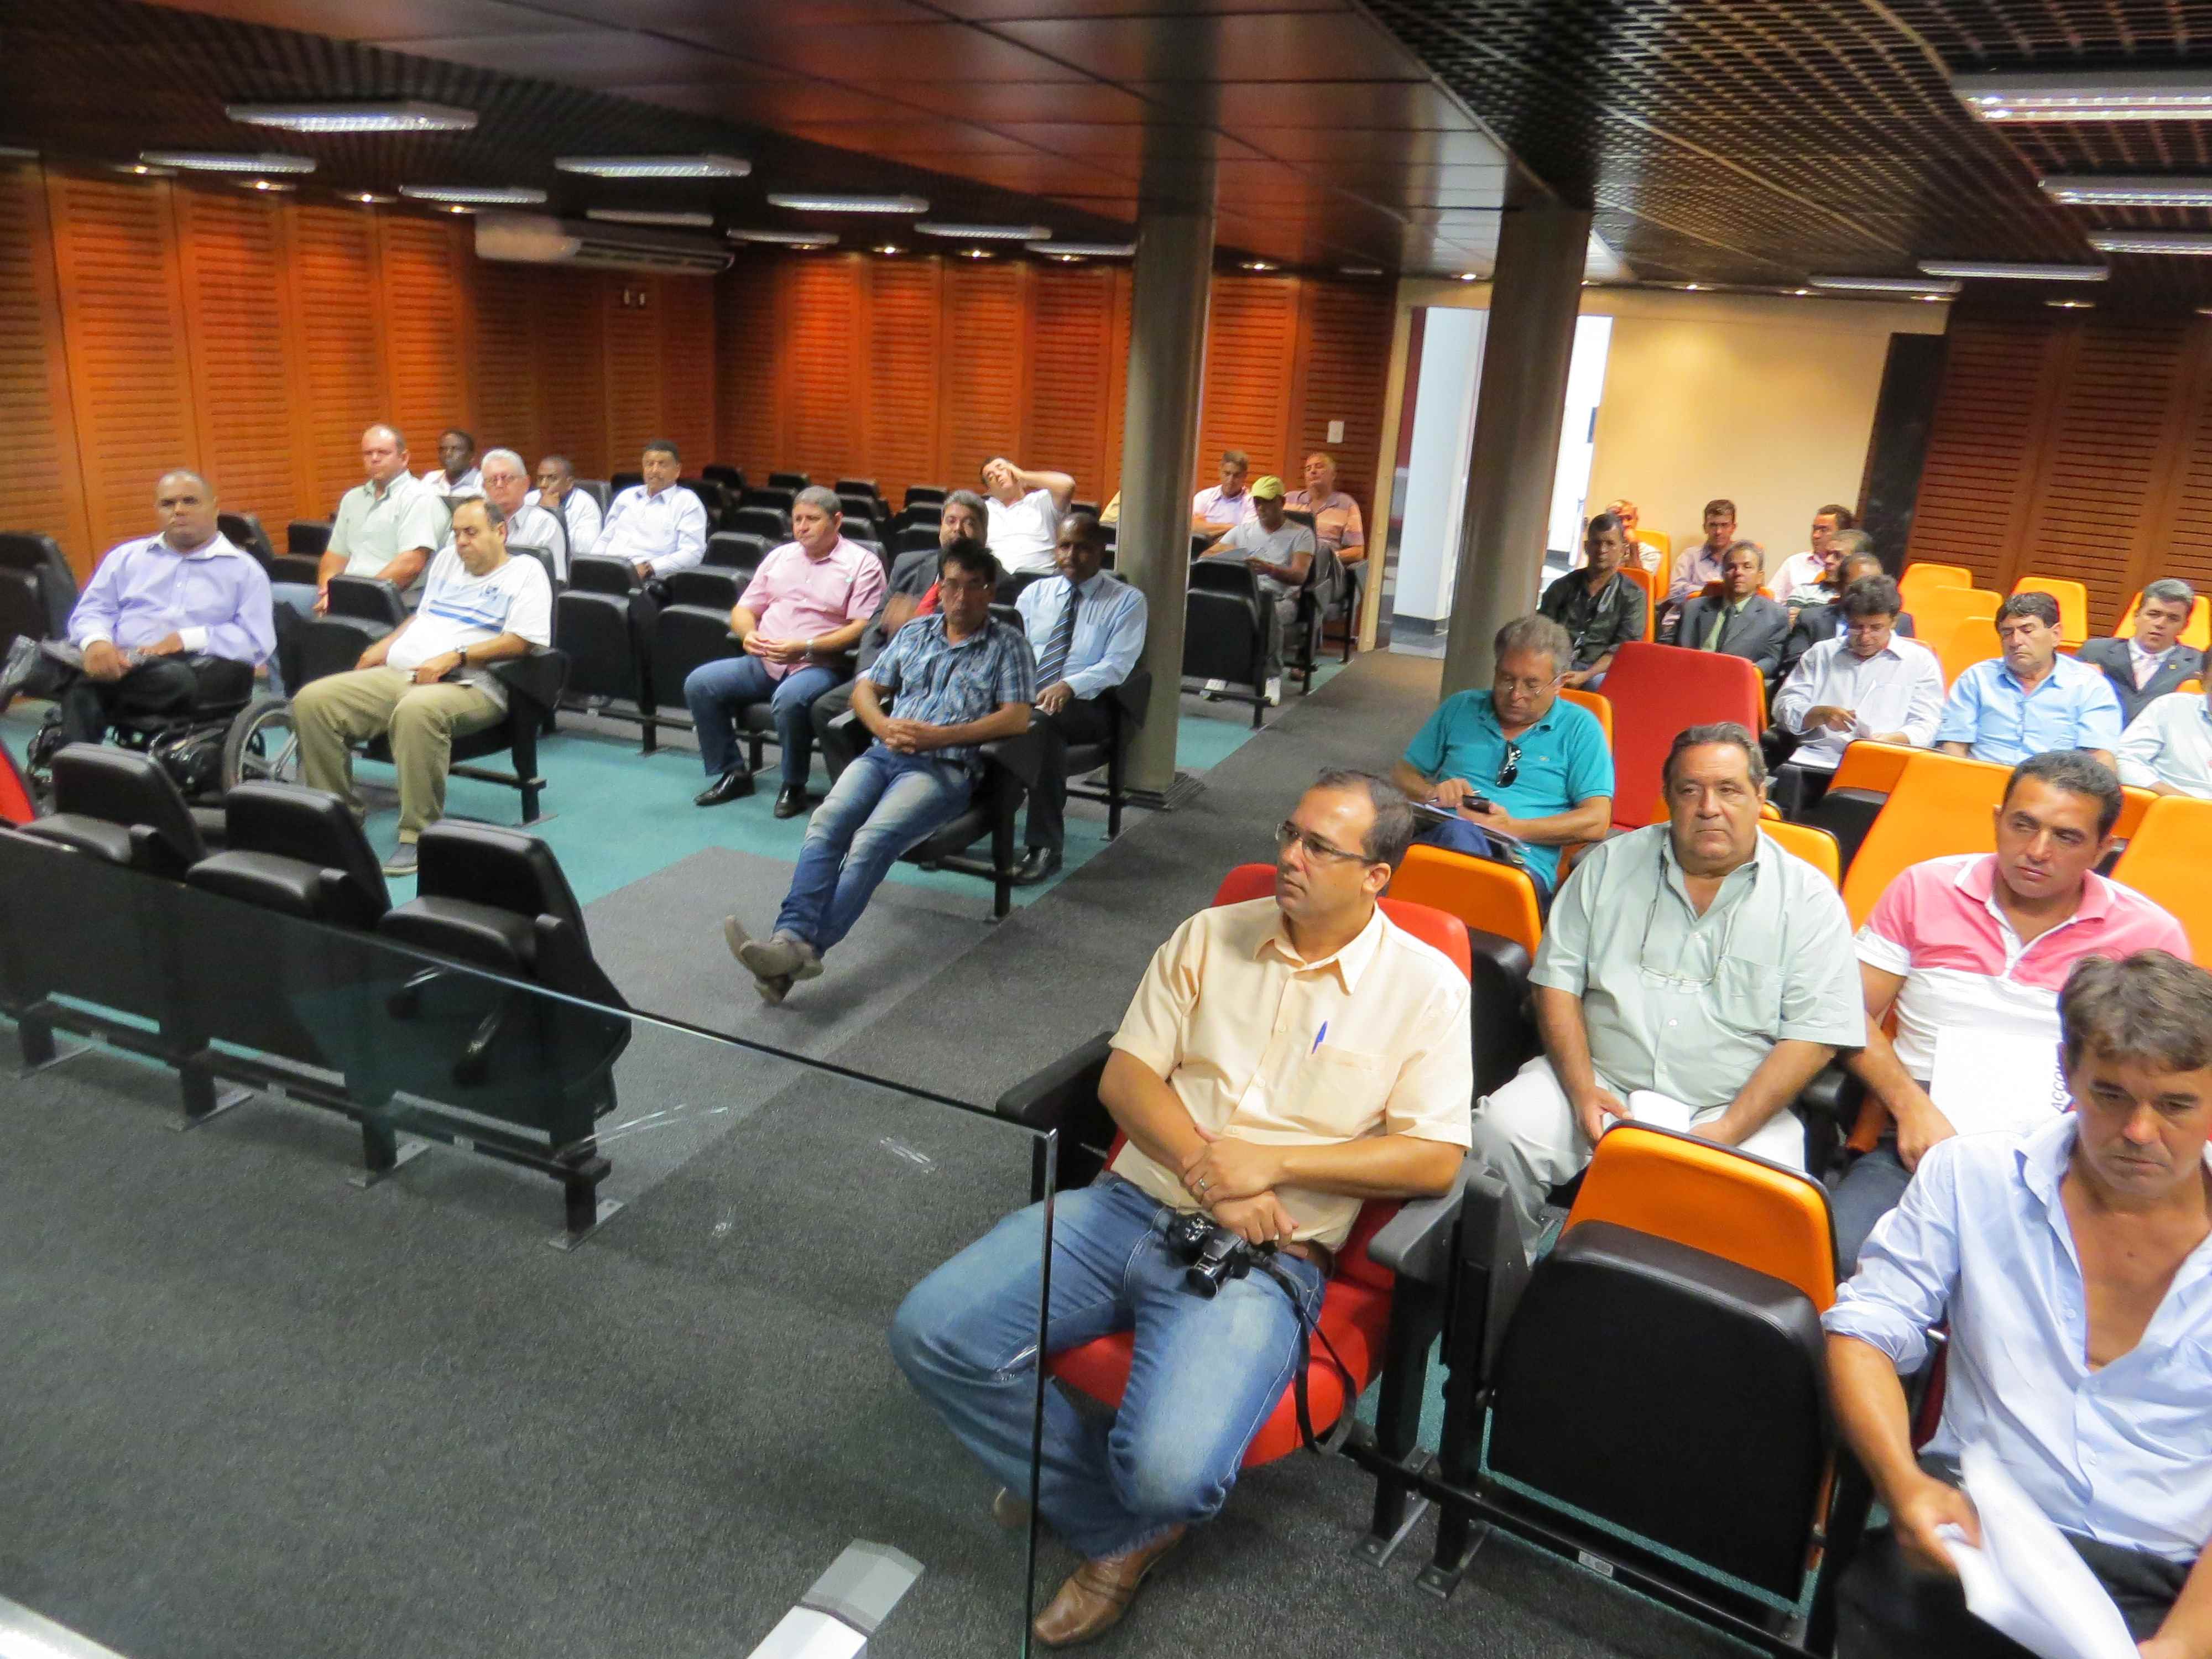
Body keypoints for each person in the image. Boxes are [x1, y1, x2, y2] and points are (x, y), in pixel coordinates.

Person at [891, 772, 1471, 1648]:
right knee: (932, 1332)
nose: (1290, 856)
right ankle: (1116, 1531)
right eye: (1289, 833)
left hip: (1264, 1261)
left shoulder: (1424, 988)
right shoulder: (1211, 933)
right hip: (1127, 1206)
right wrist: (1213, 1173)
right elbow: (1127, 1078)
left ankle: (1087, 1493)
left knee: (1172, 1475)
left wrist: (1271, 1164)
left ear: (1375, 876)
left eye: (1320, 848)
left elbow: (1433, 1157)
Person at [1824, 950, 2212, 1658]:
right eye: (2110, 1095)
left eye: (2176, 1105)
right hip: (1981, 1537)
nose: (2139, 1132)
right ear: (2067, 1072)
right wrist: (1902, 1484)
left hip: (2172, 1577)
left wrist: (2187, 1640)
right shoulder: (1972, 1177)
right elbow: (1864, 1332)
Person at [1471, 723, 1863, 1249]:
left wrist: (1730, 1130)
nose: (1709, 808)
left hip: (1732, 1105)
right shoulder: (1607, 865)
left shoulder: (1809, 899)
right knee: (1499, 1134)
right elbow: (1555, 985)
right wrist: (1582, 1090)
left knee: (1771, 1212)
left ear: (1760, 797)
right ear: (1668, 798)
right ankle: (1512, 1279)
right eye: (1690, 790)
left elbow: (1815, 1035)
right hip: (1602, 1079)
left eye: (1728, 790)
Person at [1828, 752, 2188, 1267]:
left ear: (2102, 849)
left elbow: (2169, 1072)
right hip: (1920, 1137)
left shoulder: (2148, 934)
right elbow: (1847, 1012)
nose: (2037, 851)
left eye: (2066, 837)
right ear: (1998, 820)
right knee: (1838, 1262)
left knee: (2051, 1295)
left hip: (2073, 1160)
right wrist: (1909, 1107)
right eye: (2023, 825)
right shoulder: (1924, 889)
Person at [722, 538, 1033, 1003]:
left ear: (990, 592)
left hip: (944, 767)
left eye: (974, 586)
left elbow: (1017, 718)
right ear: (940, 587)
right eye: (952, 585)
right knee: (827, 822)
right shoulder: (915, 633)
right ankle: (790, 945)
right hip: (883, 754)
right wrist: (883, 726)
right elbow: (865, 691)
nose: (961, 597)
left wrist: (941, 737)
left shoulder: (1008, 646)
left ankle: (797, 947)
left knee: (870, 840)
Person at [291, 497, 551, 878]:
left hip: (473, 682)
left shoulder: (525, 572)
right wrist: (384, 646)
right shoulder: (447, 561)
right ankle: (340, 817)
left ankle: (420, 834)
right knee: (313, 701)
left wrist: (456, 657)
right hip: (406, 671)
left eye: (471, 532)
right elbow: (424, 616)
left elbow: (523, 641)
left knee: (417, 710)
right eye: (457, 533)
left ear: (500, 532)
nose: (461, 542)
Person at [9, 469, 273, 752]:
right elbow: (93, 610)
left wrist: (187, 639)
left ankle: (58, 677)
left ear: (214, 507)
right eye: (168, 504)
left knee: (133, 681)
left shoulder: (244, 570)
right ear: (157, 511)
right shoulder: (126, 558)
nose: (179, 510)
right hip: (124, 661)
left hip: (198, 672)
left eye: (190, 501)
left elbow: (257, 641)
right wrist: (97, 642)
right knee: (90, 689)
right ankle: (76, 768)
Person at [683, 487, 886, 818]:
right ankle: (733, 773)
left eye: (812, 519)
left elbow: (863, 626)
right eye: (797, 519)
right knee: (700, 683)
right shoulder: (779, 556)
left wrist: (806, 648)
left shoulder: (863, 564)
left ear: (837, 521)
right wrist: (748, 635)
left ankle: (794, 784)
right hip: (765, 660)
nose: (802, 527)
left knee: (790, 699)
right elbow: (744, 608)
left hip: (820, 665)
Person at [1394, 614, 1613, 900]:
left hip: (1518, 865)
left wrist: (1513, 828)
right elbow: (1403, 773)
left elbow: (1597, 820)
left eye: (1531, 685)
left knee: (1454, 842)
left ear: (1560, 683)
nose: (1516, 695)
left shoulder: (1581, 729)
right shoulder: (1461, 707)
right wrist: (1431, 792)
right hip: (1437, 841)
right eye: (1506, 679)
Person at [812, 491, 988, 782]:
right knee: (825, 709)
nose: (958, 530)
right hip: (887, 672)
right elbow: (875, 625)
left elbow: (970, 637)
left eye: (969, 523)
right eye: (951, 521)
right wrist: (867, 674)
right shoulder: (909, 564)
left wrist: (921, 621)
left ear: (984, 532)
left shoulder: (995, 580)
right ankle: (853, 788)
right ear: (941, 526)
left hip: (937, 682)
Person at [1010, 512, 1147, 884]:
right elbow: (1011, 647)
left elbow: (1117, 665)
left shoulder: (1127, 600)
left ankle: (1045, 847)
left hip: (1091, 705)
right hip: (1028, 697)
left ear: (1101, 550)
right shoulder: (1034, 595)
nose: (1071, 556)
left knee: (1041, 725)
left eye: (1083, 548)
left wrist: (1069, 685)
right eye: (1064, 546)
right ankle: (961, 823)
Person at [1767, 575, 1943, 810]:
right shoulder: (1822, 653)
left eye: (1876, 628)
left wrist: (1890, 740)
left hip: (1883, 763)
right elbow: (1784, 706)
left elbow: (1927, 724)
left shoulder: (1920, 661)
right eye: (1857, 627)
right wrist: (1817, 714)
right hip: (1817, 761)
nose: (1865, 637)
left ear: (1893, 621)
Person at [1936, 591, 2123, 768]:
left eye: (2027, 631)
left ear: (2056, 635)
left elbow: (2100, 757)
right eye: (2007, 633)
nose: (2016, 641)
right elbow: (1953, 745)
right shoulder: (1977, 678)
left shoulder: (2089, 686)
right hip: (1981, 778)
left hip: (2054, 786)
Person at [285, 423, 450, 619]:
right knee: (275, 598)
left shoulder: (421, 498)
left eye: (383, 453)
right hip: (343, 594)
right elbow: (335, 557)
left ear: (404, 458)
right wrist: (328, 592)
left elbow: (410, 566)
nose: (375, 459)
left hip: (390, 601)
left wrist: (357, 597)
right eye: (368, 453)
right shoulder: (352, 499)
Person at [1196, 474, 1313, 702]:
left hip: (1282, 599)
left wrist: (1269, 569)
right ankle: (1222, 671)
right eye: (1257, 502)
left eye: (1267, 502)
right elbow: (1206, 556)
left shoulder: (1301, 534)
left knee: (1269, 613)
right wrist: (1231, 560)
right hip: (1247, 595)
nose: (1261, 507)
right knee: (1225, 607)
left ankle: (1272, 677)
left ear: (1281, 502)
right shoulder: (1243, 531)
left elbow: (1300, 575)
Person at [1538, 511, 1647, 690]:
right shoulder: (1562, 586)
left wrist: (1586, 675)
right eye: (1597, 542)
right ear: (1587, 547)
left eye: (1610, 543)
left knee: (1597, 684)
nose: (1602, 550)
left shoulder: (1634, 595)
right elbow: (1541, 631)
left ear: (1623, 549)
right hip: (1555, 665)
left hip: (1598, 671)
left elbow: (1623, 649)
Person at [1777, 540, 1916, 679]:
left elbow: (1906, 668)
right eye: (1858, 585)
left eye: (1875, 584)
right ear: (1839, 587)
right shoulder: (1811, 620)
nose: (1867, 591)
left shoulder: (1902, 621)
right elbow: (1795, 668)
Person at [2077, 578, 2204, 726]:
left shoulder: (2198, 666)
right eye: (2154, 614)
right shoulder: (2095, 652)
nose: (2160, 624)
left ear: (2185, 626)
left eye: (2173, 619)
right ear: (2136, 616)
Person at [1666, 540, 1789, 678]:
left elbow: (1773, 659)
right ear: (1723, 574)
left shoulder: (1775, 615)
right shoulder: (1693, 608)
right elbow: (1664, 649)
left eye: (1747, 567)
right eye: (1731, 567)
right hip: (1688, 678)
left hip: (1737, 681)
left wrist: (1752, 672)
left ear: (1760, 577)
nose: (1738, 572)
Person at [592, 439, 706, 579]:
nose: (655, 470)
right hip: (608, 569)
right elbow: (605, 539)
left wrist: (650, 568)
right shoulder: (626, 496)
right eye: (649, 464)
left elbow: (692, 554)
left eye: (662, 465)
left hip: (648, 578)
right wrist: (593, 563)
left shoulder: (687, 502)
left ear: (677, 470)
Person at [476, 449, 566, 578]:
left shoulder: (544, 525)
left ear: (526, 483)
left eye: (507, 478)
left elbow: (556, 581)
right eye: (492, 480)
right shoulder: (473, 525)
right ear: (484, 488)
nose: (500, 485)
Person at [981, 455, 1076, 576]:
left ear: (1014, 470)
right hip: (998, 580)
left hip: (1041, 577)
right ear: (989, 490)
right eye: (990, 477)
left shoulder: (1042, 500)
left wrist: (1024, 476)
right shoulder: (985, 509)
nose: (997, 475)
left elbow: (1068, 485)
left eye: (1001, 468)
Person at [2119, 680, 2212, 800]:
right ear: (2203, 678)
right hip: (2168, 803)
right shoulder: (2170, 707)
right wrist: (2170, 794)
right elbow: (2125, 759)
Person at [1660, 498, 1738, 628]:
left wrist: (1699, 593)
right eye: (1713, 525)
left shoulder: (1742, 561)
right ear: (1705, 528)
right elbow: (1675, 593)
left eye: (1724, 525)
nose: (1718, 531)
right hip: (1684, 621)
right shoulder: (1689, 556)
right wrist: (1707, 592)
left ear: (1733, 528)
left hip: (1725, 624)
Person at [1769, 503, 1855, 613]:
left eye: (1823, 530)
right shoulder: (1794, 562)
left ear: (1843, 533)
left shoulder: (1853, 568)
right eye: (1815, 529)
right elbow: (1771, 603)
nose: (1816, 535)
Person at [1285, 452, 1365, 563]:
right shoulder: (1289, 500)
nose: (1313, 471)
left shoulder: (1346, 504)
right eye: (1308, 469)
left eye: (1319, 467)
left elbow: (1358, 552)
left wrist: (1330, 556)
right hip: (1288, 560)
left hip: (1323, 565)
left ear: (1333, 475)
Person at [528, 455, 602, 564]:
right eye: (540, 479)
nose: (543, 485)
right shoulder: (530, 499)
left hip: (570, 566)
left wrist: (554, 514)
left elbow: (587, 549)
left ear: (569, 483)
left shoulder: (585, 504)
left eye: (552, 479)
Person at [1190, 450, 1256, 531]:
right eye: (1227, 474)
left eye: (1237, 475)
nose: (1231, 480)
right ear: (1220, 472)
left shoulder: (1251, 502)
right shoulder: (1203, 497)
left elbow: (1245, 533)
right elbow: (1193, 526)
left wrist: (1206, 527)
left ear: (1245, 476)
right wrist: (1233, 527)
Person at [1601, 498, 1666, 573]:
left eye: (1629, 519)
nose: (1625, 524)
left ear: (1636, 520)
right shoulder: (1599, 546)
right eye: (1619, 519)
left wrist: (1633, 545)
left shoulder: (1651, 553)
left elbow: (1636, 579)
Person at [420, 428, 482, 499]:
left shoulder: (483, 483)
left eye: (455, 449)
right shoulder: (430, 479)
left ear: (472, 455)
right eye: (443, 449)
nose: (448, 454)